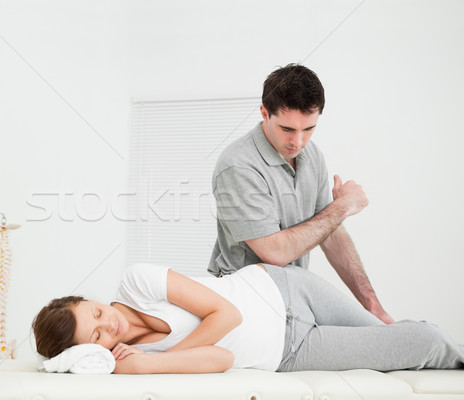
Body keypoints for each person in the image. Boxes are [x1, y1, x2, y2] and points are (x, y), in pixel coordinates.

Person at [32, 263, 464, 374]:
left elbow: (228, 313)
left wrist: (173, 354)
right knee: (419, 343)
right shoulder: (129, 359)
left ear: (89, 299)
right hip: (291, 350)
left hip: (285, 287)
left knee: (392, 340)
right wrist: (148, 362)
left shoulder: (136, 282)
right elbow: (220, 358)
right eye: (98, 336)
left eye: (96, 313)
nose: (111, 326)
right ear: (92, 351)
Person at [209, 63, 394, 324]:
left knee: (388, 332)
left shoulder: (311, 155)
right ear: (264, 113)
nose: (298, 142)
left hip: (292, 298)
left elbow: (328, 231)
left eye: (308, 129)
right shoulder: (238, 165)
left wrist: (373, 307)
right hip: (246, 304)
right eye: (287, 129)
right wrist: (341, 207)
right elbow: (274, 253)